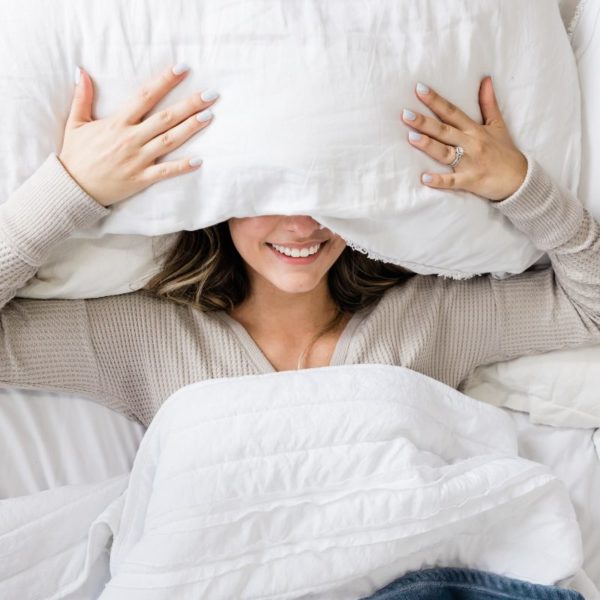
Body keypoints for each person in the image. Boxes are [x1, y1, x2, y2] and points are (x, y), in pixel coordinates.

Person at [0, 63, 597, 598]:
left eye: (323, 196)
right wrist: (71, 190)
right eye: (268, 195)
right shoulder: (142, 335)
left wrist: (519, 186)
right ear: (221, 200)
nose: (301, 224)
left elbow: (587, 308)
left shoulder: (427, 317)